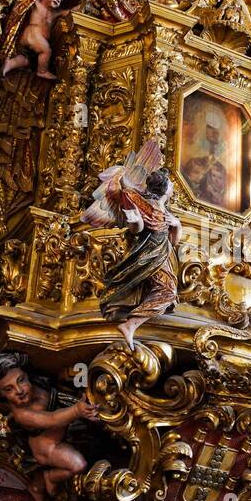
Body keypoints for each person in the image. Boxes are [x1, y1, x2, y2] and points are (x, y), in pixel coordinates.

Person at [0, 344, 98, 501]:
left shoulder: (35, 383)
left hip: (63, 430)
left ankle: (40, 484)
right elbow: (52, 419)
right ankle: (48, 478)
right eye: (9, 389)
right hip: (49, 447)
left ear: (27, 375)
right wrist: (77, 410)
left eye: (21, 380)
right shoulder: (22, 414)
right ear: (2, 395)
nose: (19, 390)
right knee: (78, 465)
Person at [81, 140, 182, 348]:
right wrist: (134, 220)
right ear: (165, 189)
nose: (173, 188)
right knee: (168, 292)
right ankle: (130, 325)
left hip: (164, 254)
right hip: (150, 254)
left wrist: (177, 225)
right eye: (171, 185)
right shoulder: (144, 203)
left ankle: (131, 325)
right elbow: (136, 228)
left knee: (168, 292)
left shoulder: (166, 212)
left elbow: (173, 242)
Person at [0, 0, 80, 79]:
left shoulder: (52, 13)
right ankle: (42, 71)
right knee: (47, 51)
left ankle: (8, 65)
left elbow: (66, 12)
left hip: (34, 40)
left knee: (26, 60)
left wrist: (80, 1)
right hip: (32, 34)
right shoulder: (36, 3)